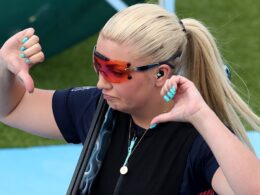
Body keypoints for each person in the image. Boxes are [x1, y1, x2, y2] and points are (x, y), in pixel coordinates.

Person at [0, 3, 260, 195]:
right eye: (97, 64)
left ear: (160, 73)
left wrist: (203, 115)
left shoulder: (198, 139)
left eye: (115, 70)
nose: (101, 82)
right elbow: (12, 108)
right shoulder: (96, 106)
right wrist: (5, 68)